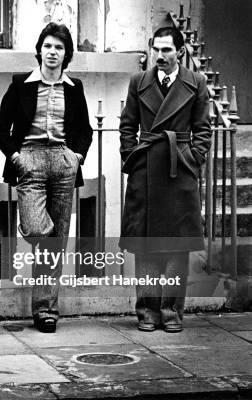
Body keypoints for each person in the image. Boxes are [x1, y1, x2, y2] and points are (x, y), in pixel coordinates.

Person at [0, 23, 93, 333]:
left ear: (66, 55)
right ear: (40, 50)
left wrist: (75, 158)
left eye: (59, 48)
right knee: (38, 229)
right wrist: (17, 158)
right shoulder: (20, 84)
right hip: (30, 159)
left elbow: (85, 131)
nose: (52, 52)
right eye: (48, 46)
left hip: (63, 160)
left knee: (56, 242)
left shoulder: (74, 88)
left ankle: (46, 310)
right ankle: (45, 301)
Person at [119, 26, 211, 333]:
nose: (160, 55)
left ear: (180, 52)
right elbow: (127, 125)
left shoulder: (196, 82)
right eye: (156, 49)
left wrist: (192, 160)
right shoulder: (138, 82)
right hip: (145, 169)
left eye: (167, 50)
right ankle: (147, 310)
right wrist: (132, 158)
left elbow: (203, 129)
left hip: (178, 170)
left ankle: (172, 312)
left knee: (176, 247)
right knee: (145, 244)